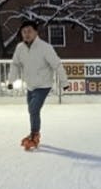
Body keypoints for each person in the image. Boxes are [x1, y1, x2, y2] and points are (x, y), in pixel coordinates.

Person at [7, 19, 68, 151]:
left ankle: (35, 135)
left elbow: (56, 64)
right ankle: (34, 133)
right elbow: (15, 65)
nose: (26, 34)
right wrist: (11, 81)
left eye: (29, 31)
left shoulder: (45, 48)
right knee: (32, 111)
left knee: (33, 109)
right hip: (30, 85)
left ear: (36, 32)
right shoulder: (20, 48)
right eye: (24, 32)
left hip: (43, 85)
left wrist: (64, 82)